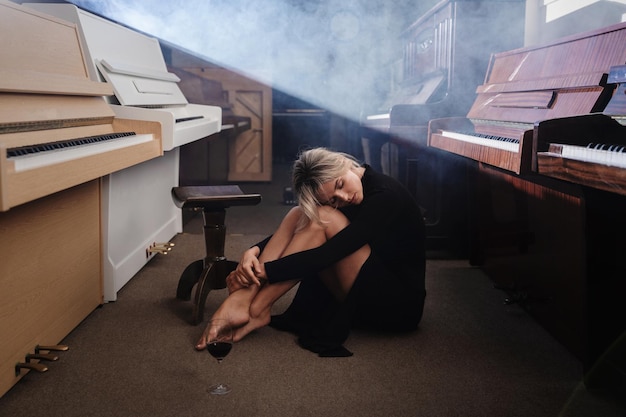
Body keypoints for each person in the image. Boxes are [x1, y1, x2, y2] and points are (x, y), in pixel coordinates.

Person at [195, 147, 426, 356]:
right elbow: (302, 231)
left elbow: (329, 254)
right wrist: (253, 251)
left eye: (340, 185)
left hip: (397, 306)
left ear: (342, 163)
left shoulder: (386, 196)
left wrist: (263, 271)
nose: (344, 198)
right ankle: (245, 302)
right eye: (334, 199)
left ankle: (254, 308)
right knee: (300, 213)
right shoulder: (350, 195)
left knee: (323, 218)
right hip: (364, 286)